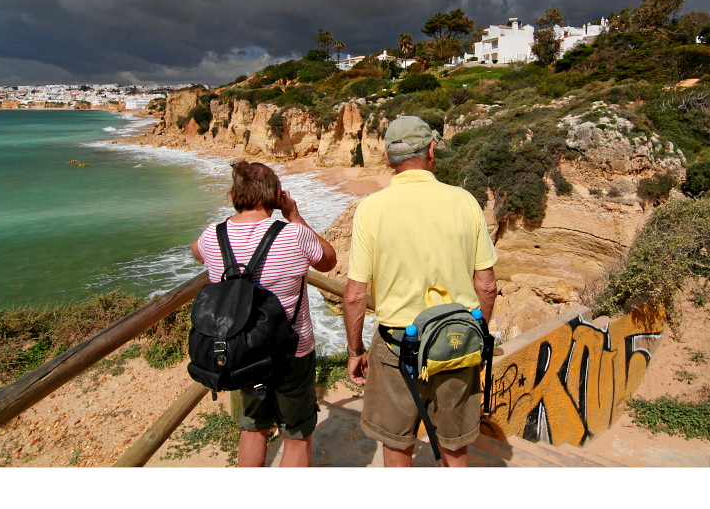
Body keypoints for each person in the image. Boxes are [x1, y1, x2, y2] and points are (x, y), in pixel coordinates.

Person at [343, 116, 497, 467]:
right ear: (431, 150)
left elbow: (354, 295)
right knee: (455, 449)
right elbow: (486, 285)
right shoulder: (464, 201)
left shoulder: (371, 209)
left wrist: (355, 350)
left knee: (398, 449)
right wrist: (477, 335)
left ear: (387, 158)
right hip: (457, 342)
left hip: (397, 348)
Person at [192, 161, 336, 467]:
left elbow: (197, 252)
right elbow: (328, 261)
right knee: (297, 435)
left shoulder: (213, 236)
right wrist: (294, 215)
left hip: (244, 350)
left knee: (254, 427)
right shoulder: (293, 234)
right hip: (292, 350)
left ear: (233, 193)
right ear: (276, 195)